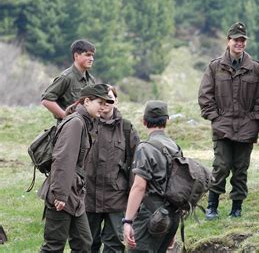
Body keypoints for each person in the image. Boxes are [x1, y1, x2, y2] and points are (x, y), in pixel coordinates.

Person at [198, 22, 259, 220]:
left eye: (243, 40)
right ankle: (212, 206)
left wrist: (254, 118)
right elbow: (205, 96)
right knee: (221, 167)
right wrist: (215, 118)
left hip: (246, 128)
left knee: (241, 170)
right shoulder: (215, 67)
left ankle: (236, 208)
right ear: (228, 41)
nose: (239, 43)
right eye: (236, 40)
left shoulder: (255, 69)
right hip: (223, 128)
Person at [38, 84, 114, 252]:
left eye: (105, 103)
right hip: (63, 193)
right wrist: (60, 194)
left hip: (75, 194)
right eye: (100, 102)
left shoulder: (86, 122)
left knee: (83, 243)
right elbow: (62, 160)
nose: (103, 107)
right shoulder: (76, 123)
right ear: (87, 101)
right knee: (53, 246)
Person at [86, 86, 140, 252]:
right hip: (88, 197)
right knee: (86, 244)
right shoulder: (84, 125)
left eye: (109, 100)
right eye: (101, 100)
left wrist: (134, 197)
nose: (105, 104)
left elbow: (136, 166)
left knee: (115, 245)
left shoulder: (126, 128)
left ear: (116, 101)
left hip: (116, 198)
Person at [123, 101, 181, 252]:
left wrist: (128, 221)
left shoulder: (145, 148)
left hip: (151, 216)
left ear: (144, 121)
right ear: (167, 120)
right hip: (172, 215)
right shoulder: (175, 147)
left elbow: (139, 186)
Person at [41, 39, 96, 121]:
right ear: (76, 56)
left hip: (87, 127)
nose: (91, 59)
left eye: (92, 55)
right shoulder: (66, 77)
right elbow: (46, 100)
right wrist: (66, 117)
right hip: (70, 128)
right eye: (87, 55)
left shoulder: (91, 79)